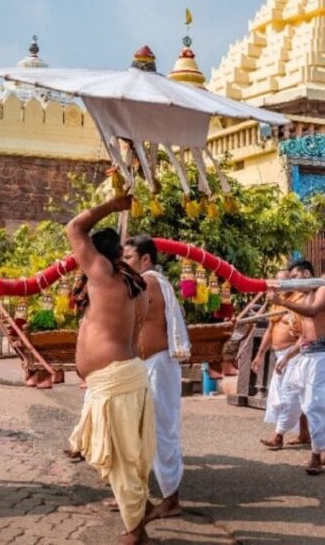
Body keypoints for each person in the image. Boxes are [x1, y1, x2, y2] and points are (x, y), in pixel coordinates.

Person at [65, 196, 157, 544]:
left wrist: (115, 204)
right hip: (122, 376)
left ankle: (135, 532)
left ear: (95, 256)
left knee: (121, 459)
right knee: (125, 456)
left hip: (117, 380)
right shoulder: (133, 284)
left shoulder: (103, 273)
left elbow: (75, 226)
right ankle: (140, 514)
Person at [123, 234, 191, 521]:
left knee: (162, 431)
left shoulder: (148, 281)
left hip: (158, 365)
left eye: (127, 258)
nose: (123, 263)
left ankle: (171, 499)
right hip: (145, 366)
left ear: (146, 259)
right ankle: (135, 495)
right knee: (138, 432)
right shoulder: (141, 281)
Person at [269, 259, 325, 475]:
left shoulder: (322, 290)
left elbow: (313, 311)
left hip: (324, 356)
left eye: (294, 277)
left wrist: (281, 301)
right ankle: (321, 448)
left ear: (307, 273)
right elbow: (304, 334)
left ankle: (317, 455)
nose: (292, 282)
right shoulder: (307, 294)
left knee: (315, 404)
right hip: (307, 354)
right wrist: (289, 355)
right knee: (303, 400)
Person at [253, 270, 305, 450]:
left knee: (290, 396)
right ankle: (304, 434)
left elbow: (305, 332)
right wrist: (260, 354)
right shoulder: (276, 302)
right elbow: (270, 328)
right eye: (276, 282)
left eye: (282, 282)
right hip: (279, 355)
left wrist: (291, 354)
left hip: (295, 353)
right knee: (281, 396)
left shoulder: (300, 299)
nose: (278, 286)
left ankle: (278, 436)